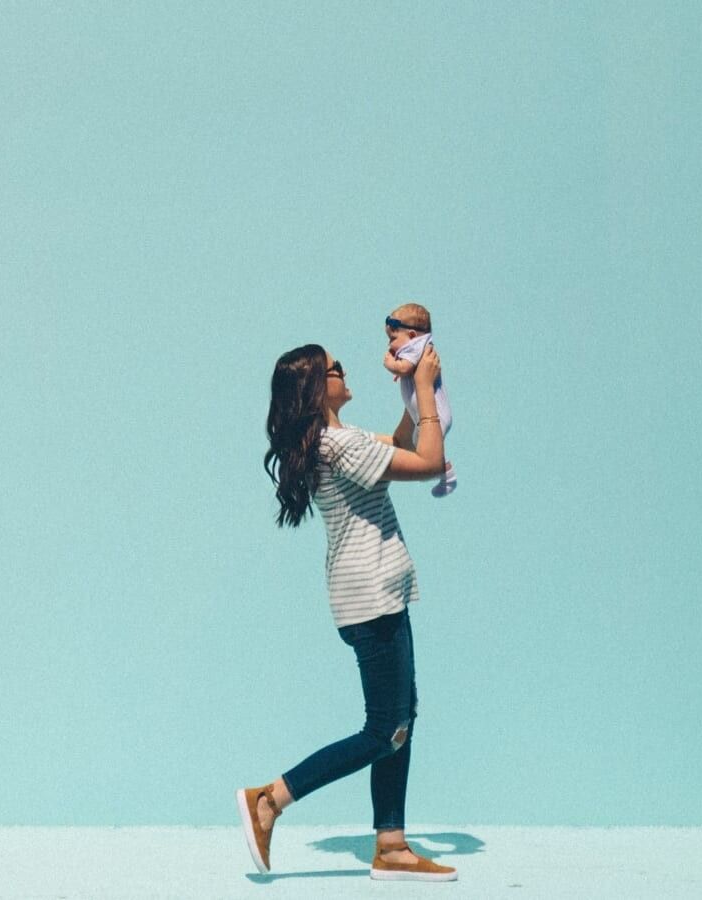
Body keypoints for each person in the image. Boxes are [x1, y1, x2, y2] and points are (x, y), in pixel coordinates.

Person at [237, 342, 458, 883]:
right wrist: (427, 391)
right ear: (316, 388)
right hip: (373, 596)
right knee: (385, 728)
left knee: (400, 717)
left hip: (371, 593)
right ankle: (271, 799)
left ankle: (392, 845)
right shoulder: (338, 447)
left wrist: (411, 390)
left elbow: (403, 443)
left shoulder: (341, 442)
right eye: (335, 368)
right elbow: (428, 461)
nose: (344, 371)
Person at [381, 303, 456, 497]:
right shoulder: (415, 347)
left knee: (423, 454)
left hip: (435, 414)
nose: (389, 345)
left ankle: (445, 472)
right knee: (417, 447)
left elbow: (404, 368)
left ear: (412, 335)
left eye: (392, 339)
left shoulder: (418, 347)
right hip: (424, 416)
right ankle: (444, 472)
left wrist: (391, 364)